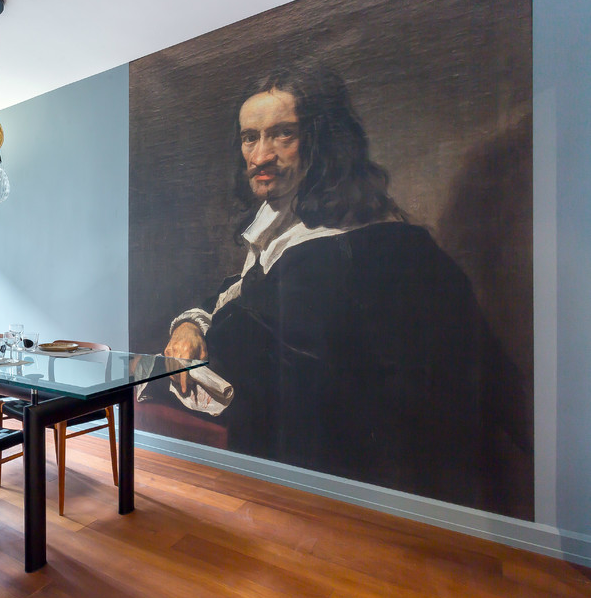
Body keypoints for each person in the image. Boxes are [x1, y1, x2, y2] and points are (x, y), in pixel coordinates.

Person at [160, 62, 533, 519]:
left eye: (283, 135)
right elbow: (235, 293)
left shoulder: (350, 249)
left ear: (322, 141)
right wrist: (189, 322)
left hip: (361, 486)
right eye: (249, 137)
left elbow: (246, 343)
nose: (260, 156)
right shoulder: (289, 228)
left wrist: (201, 333)